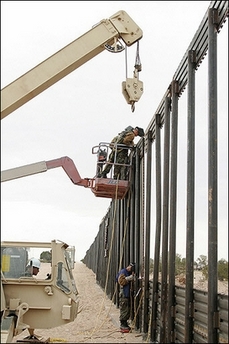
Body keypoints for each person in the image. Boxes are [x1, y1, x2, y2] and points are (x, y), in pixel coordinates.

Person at [116, 262, 135, 331]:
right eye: (130, 266)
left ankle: (125, 323)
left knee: (126, 309)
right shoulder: (123, 272)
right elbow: (120, 281)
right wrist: (129, 278)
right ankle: (123, 324)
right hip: (124, 293)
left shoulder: (125, 272)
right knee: (124, 309)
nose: (130, 268)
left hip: (125, 293)